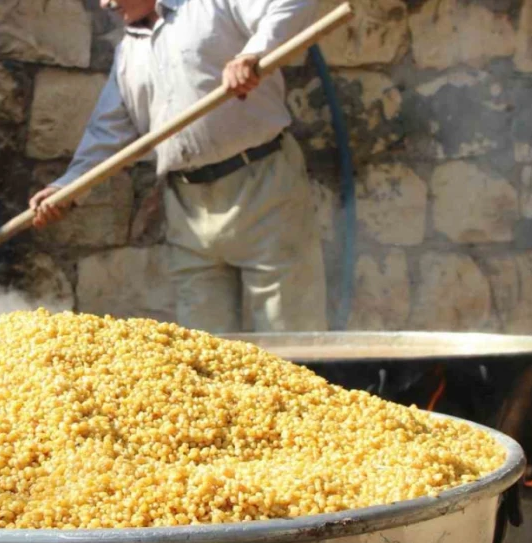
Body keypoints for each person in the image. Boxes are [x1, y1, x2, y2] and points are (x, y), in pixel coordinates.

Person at [29, 0, 327, 333]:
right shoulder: (128, 54)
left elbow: (294, 3)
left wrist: (254, 54)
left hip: (262, 186)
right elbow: (108, 130)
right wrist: (67, 187)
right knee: (207, 347)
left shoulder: (212, 5)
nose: (105, 3)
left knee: (290, 333)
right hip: (188, 207)